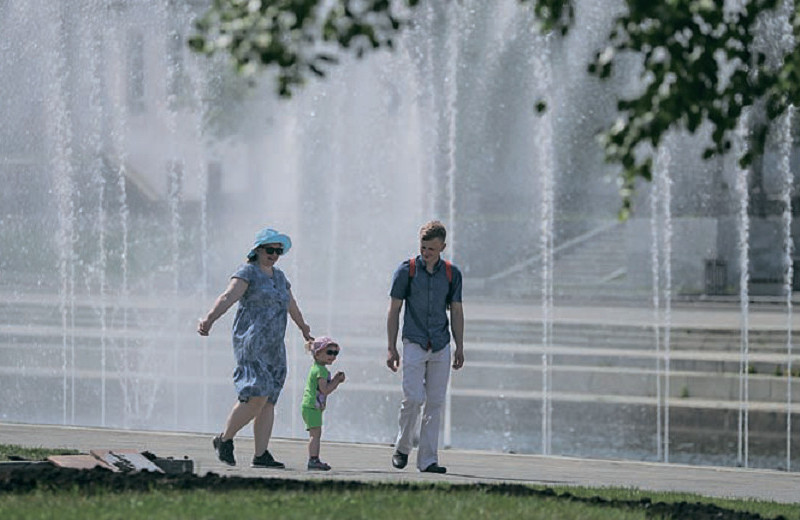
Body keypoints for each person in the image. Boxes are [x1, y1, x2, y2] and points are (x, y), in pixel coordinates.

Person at [197, 227, 313, 468]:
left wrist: (304, 328)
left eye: (278, 251)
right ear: (257, 250)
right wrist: (208, 319)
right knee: (255, 394)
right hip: (251, 343)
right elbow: (227, 298)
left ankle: (261, 454)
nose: (274, 255)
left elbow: (292, 304)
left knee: (269, 399)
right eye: (270, 250)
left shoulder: (280, 277)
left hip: (274, 346)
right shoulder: (247, 273)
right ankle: (224, 439)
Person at [386, 220, 464, 474]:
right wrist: (391, 347)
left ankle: (428, 459)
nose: (426, 252)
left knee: (435, 403)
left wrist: (459, 346)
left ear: (442, 246)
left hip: (441, 344)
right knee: (413, 398)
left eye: (431, 248)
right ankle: (403, 446)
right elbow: (394, 310)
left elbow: (456, 311)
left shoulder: (452, 274)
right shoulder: (406, 271)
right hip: (414, 342)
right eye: (423, 247)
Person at [301, 336, 346, 471]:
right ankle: (313, 460)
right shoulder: (320, 370)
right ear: (317, 353)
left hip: (310, 406)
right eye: (329, 352)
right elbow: (325, 390)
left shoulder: (318, 368)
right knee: (315, 434)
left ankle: (314, 459)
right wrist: (336, 381)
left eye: (335, 353)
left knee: (315, 433)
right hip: (312, 406)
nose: (333, 356)